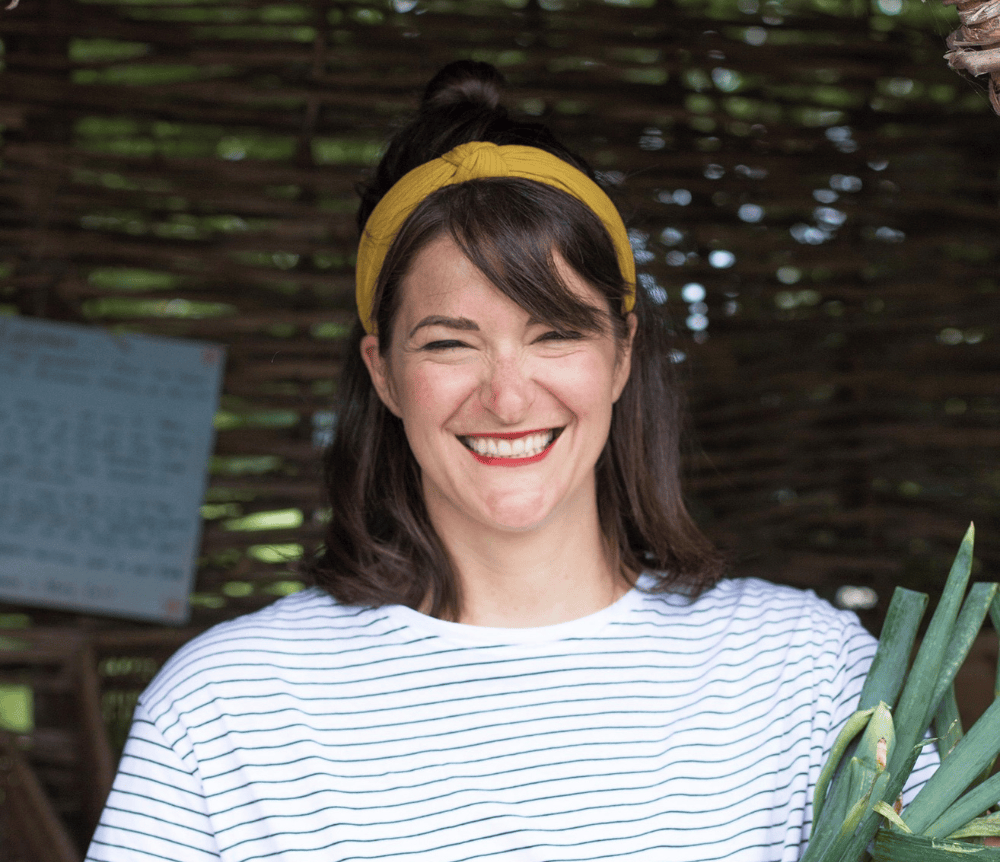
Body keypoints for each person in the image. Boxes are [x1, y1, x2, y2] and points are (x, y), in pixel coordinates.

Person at [85, 61, 936, 862]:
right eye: (450, 343)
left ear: (622, 352)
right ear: (384, 371)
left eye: (554, 334)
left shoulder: (815, 679)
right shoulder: (228, 711)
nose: (507, 397)